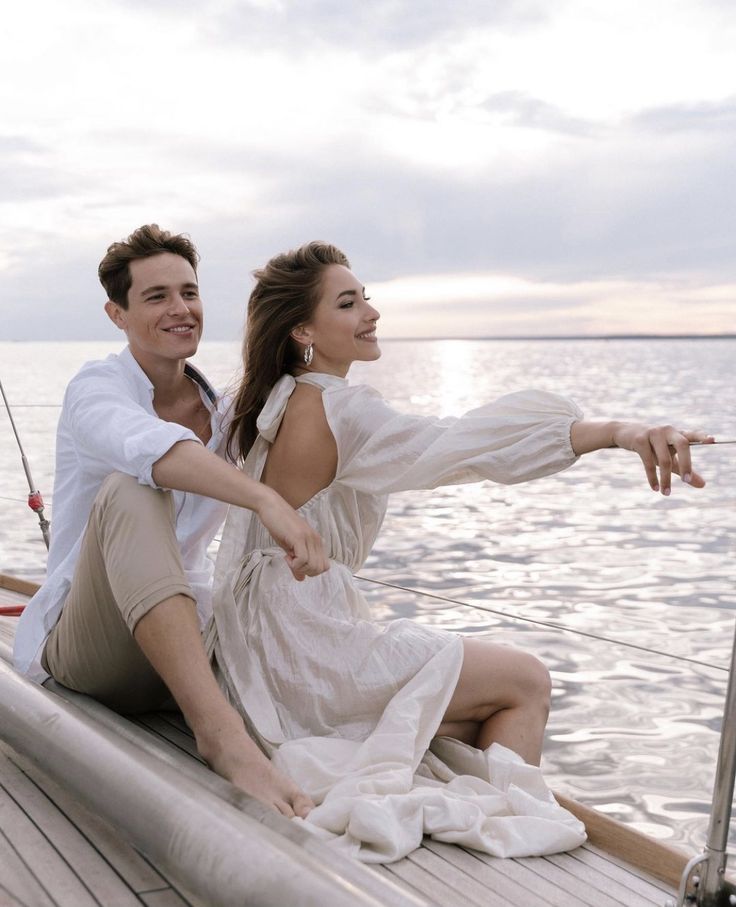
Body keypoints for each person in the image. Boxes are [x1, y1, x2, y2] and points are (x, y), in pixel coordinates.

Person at [208, 241, 711, 862]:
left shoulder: (277, 397)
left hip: (258, 639)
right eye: (348, 302)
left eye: (366, 296)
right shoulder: (342, 407)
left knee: (474, 712)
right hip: (302, 640)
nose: (371, 311)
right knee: (526, 680)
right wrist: (617, 432)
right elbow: (463, 445)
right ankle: (508, 836)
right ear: (304, 329)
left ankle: (486, 826)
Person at [13, 224, 329, 818]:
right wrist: (264, 502)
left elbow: (307, 444)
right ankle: (222, 738)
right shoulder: (96, 389)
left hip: (190, 642)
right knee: (133, 489)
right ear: (117, 313)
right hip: (93, 651)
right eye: (156, 296)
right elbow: (147, 448)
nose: (180, 308)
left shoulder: (227, 413)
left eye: (189, 291)